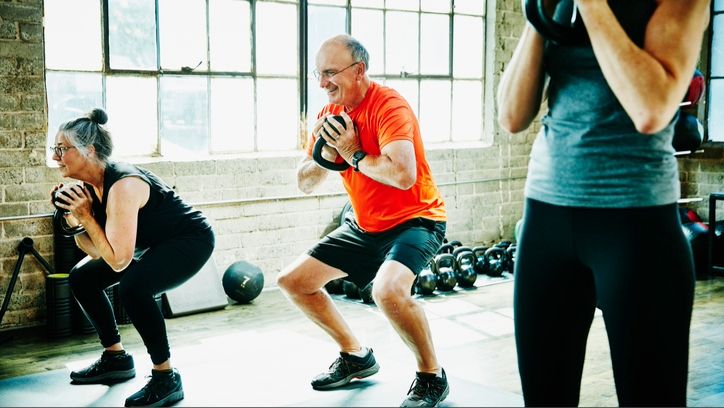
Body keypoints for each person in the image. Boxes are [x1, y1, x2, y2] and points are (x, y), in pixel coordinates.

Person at [497, 1, 710, 406]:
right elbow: (511, 116)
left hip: (636, 225)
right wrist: (538, 17)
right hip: (547, 216)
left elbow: (651, 109)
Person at [276, 34, 449, 407]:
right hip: (365, 225)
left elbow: (403, 175)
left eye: (330, 73)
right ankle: (355, 355)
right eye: (317, 75)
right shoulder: (329, 116)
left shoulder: (389, 106)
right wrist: (326, 157)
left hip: (415, 220)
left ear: (359, 71)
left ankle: (431, 376)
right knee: (293, 282)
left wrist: (353, 153)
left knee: (387, 291)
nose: (322, 84)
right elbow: (304, 182)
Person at [49, 108, 215, 407]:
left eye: (62, 149)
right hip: (149, 244)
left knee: (134, 289)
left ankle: (166, 377)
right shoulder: (91, 186)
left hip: (188, 241)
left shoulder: (124, 185)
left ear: (89, 150)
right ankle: (116, 359)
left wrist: (86, 216)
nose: (55, 157)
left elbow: (118, 262)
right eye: (55, 149)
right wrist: (77, 219)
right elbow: (98, 251)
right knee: (82, 277)